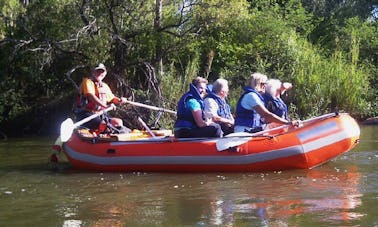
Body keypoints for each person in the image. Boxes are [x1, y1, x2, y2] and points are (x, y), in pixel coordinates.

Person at [74, 63, 130, 133]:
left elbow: (112, 99)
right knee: (104, 125)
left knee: (118, 122)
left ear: (105, 73)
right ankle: (104, 139)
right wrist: (105, 106)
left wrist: (120, 100)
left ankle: (119, 137)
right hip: (85, 114)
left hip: (100, 114)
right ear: (93, 72)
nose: (100, 73)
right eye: (97, 71)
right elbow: (90, 96)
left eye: (102, 71)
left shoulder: (104, 86)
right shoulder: (87, 81)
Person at [234, 73, 298, 133]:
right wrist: (288, 123)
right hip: (244, 131)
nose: (265, 86)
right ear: (257, 84)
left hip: (251, 129)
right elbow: (267, 115)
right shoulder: (251, 96)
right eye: (263, 83)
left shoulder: (256, 96)